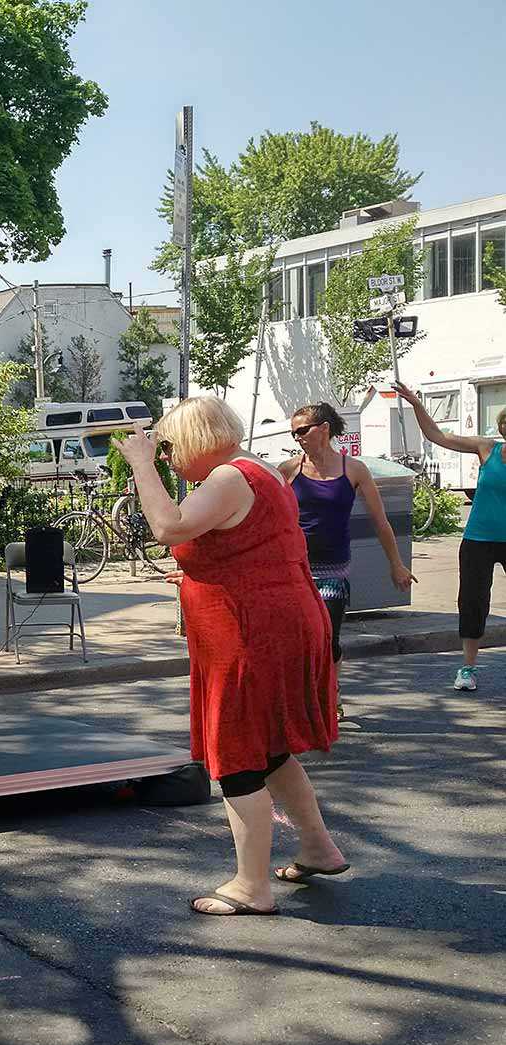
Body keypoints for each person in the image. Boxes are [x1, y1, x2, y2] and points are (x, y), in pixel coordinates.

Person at [113, 398, 346, 916]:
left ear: (197, 439)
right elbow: (251, 547)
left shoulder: (227, 477)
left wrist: (142, 465)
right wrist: (200, 572)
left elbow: (168, 527)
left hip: (249, 631)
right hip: (274, 620)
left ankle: (251, 887)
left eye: (171, 446)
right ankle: (318, 848)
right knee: (271, 748)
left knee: (237, 755)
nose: (168, 457)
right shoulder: (259, 470)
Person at [280, 402, 416, 715]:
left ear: (323, 429)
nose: (297, 437)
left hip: (334, 568)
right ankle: (305, 697)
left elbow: (381, 522)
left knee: (328, 639)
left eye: (302, 430)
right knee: (299, 639)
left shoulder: (353, 469)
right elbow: (264, 516)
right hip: (295, 569)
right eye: (293, 433)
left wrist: (397, 564)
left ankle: (331, 690)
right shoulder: (289, 470)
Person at [393, 382, 506, 691]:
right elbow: (437, 436)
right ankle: (467, 669)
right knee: (472, 602)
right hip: (478, 540)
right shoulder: (488, 448)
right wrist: (417, 404)